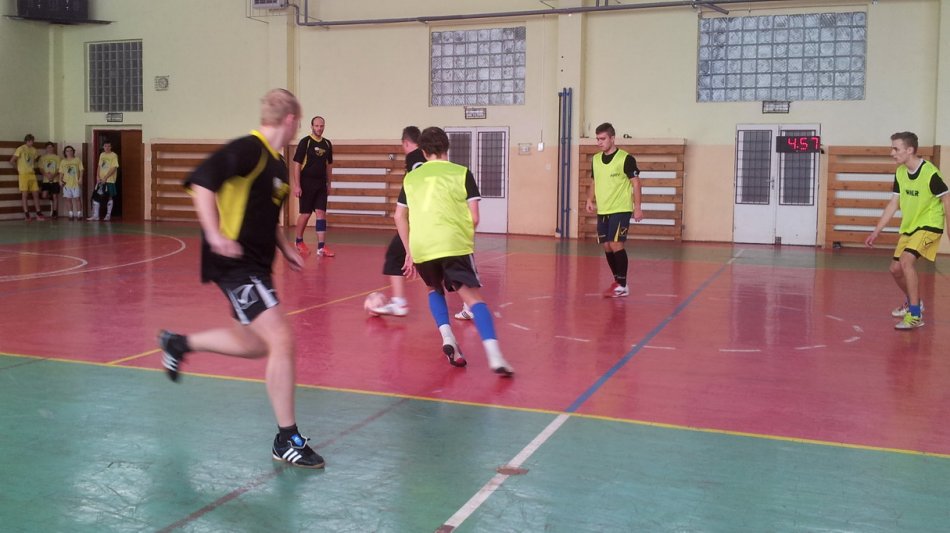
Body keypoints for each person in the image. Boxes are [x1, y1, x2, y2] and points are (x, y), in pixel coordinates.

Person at [157, 88, 324, 468]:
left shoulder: (277, 164)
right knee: (281, 338)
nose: (298, 127)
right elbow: (202, 182)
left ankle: (178, 344)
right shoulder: (249, 149)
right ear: (291, 120)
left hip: (257, 266)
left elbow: (265, 215)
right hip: (235, 264)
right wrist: (214, 234)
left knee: (254, 344)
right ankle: (287, 438)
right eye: (299, 122)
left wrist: (285, 248)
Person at [394, 126, 514, 376]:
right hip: (452, 243)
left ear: (423, 152)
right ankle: (495, 356)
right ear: (447, 148)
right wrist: (461, 240)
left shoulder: (411, 178)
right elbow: (474, 217)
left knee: (433, 288)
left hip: (422, 245)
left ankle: (448, 337)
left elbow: (399, 216)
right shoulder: (462, 173)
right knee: (473, 299)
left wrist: (409, 251)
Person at [865, 131, 949, 330]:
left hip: (930, 224)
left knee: (906, 261)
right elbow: (894, 203)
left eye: (896, 149)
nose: (891, 153)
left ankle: (915, 314)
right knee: (895, 270)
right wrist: (877, 230)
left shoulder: (930, 173)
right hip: (911, 227)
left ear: (910, 150)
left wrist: (949, 228)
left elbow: (946, 198)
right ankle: (915, 302)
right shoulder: (900, 173)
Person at [585, 122, 643, 298]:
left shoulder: (625, 159)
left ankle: (623, 285)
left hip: (621, 208)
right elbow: (594, 181)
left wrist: (637, 207)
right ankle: (618, 281)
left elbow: (636, 183)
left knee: (616, 243)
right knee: (607, 245)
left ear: (612, 138)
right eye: (597, 139)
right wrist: (589, 199)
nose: (599, 142)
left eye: (603, 139)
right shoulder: (596, 159)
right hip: (603, 209)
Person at [291, 116, 335, 257]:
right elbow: (297, 164)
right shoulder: (305, 142)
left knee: (321, 213)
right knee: (306, 214)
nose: (319, 128)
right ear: (312, 126)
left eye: (321, 126)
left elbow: (329, 165)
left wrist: (329, 183)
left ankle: (321, 247)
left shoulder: (327, 144)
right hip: (306, 183)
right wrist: (297, 185)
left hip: (321, 184)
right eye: (316, 126)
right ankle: (299, 241)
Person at [10, 134, 44, 221]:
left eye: (32, 141)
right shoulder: (21, 148)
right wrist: (18, 169)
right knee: (24, 194)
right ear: (26, 141)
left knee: (35, 193)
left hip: (32, 174)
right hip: (23, 174)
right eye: (29, 141)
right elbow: (12, 161)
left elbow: (34, 161)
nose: (31, 143)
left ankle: (38, 212)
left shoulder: (34, 150)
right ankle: (26, 213)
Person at [88, 140, 119, 221]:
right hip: (100, 180)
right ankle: (96, 215)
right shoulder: (102, 154)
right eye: (105, 146)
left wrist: (106, 177)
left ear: (111, 147)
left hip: (109, 180)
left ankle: (108, 215)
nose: (107, 148)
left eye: (109, 146)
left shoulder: (114, 155)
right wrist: (97, 176)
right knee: (96, 196)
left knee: (109, 196)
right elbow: (99, 166)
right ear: (103, 147)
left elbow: (114, 167)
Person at [58, 146, 84, 220]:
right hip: (66, 183)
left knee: (77, 198)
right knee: (68, 199)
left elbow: (81, 170)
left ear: (73, 151)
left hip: (75, 183)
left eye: (70, 150)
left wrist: (81, 178)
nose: (69, 152)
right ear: (65, 152)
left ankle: (79, 214)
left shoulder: (77, 160)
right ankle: (71, 214)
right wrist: (60, 180)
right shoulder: (63, 161)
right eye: (67, 151)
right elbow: (61, 172)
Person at [38, 142, 61, 218]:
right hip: (46, 180)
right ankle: (50, 197)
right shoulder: (42, 158)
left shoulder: (57, 157)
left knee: (55, 196)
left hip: (55, 180)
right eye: (48, 147)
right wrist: (46, 175)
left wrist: (53, 175)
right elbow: (41, 169)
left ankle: (54, 212)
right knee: (44, 195)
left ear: (53, 148)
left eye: (51, 147)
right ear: (46, 148)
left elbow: (58, 168)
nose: (50, 148)